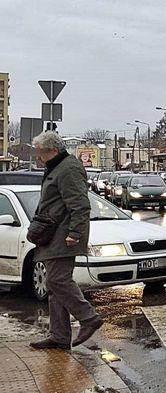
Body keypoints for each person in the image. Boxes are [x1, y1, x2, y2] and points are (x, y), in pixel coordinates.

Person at [29, 131, 103, 350]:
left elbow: (80, 204)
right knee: (55, 286)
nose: (38, 158)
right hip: (54, 233)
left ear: (53, 150)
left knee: (57, 281)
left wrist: (75, 233)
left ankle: (88, 318)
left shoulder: (68, 168)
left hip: (64, 235)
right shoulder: (56, 167)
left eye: (40, 153)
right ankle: (59, 336)